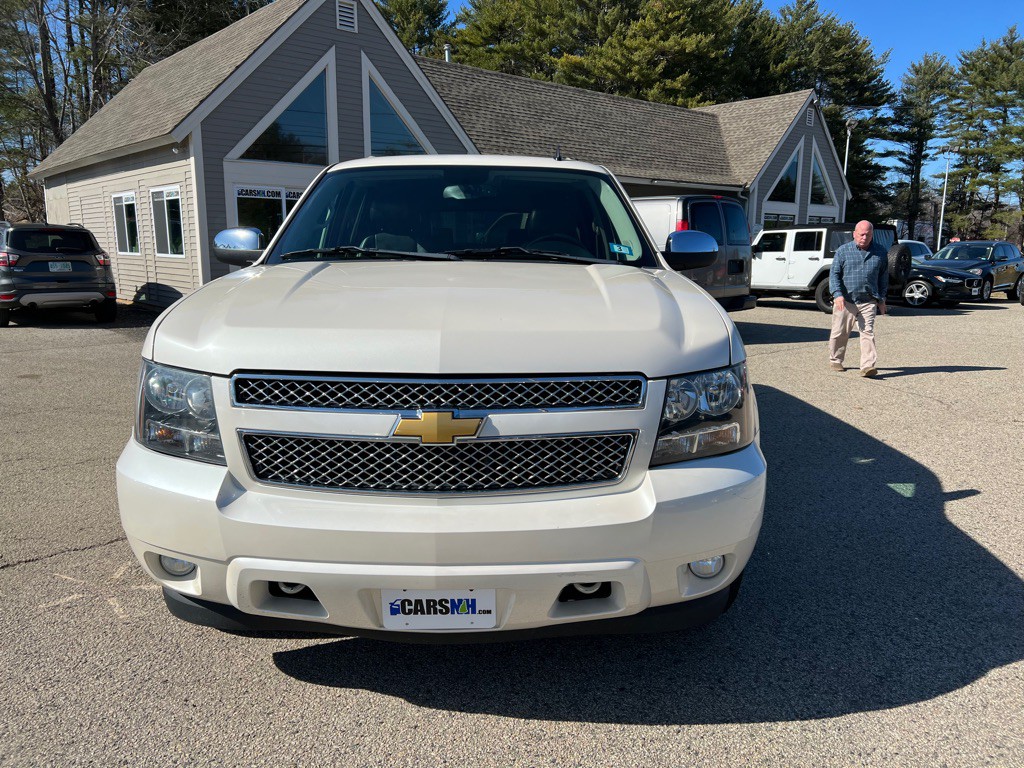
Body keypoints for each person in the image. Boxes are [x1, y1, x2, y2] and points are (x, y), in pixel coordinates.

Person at [828, 220, 888, 377]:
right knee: (840, 332)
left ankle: (867, 366)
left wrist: (882, 299)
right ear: (854, 234)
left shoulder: (880, 252)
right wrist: (837, 294)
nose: (864, 237)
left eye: (868, 234)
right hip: (846, 300)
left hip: (869, 300)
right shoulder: (843, 251)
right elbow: (834, 274)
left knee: (867, 332)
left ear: (872, 235)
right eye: (861, 234)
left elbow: (883, 277)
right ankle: (836, 360)